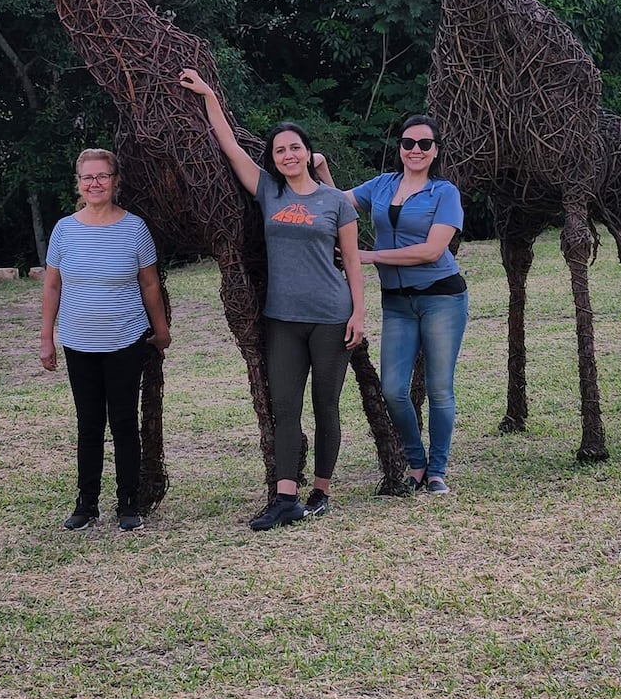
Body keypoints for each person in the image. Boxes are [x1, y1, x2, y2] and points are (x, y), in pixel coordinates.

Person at [179, 68, 364, 531]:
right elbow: (230, 146)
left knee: (326, 405)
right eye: (280, 149)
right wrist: (207, 95)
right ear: (275, 158)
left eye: (294, 147)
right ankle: (286, 497)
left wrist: (359, 312)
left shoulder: (336, 201)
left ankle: (320, 490)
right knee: (286, 408)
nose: (288, 154)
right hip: (282, 319)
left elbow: (354, 260)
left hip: (330, 315)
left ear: (307, 152)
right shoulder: (267, 190)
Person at [317, 115, 467, 496]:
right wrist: (320, 167)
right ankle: (415, 462)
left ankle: (437, 470)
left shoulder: (444, 193)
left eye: (424, 144)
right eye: (408, 143)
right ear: (400, 147)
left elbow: (433, 251)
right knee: (394, 390)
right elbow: (339, 206)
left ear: (435, 152)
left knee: (439, 389)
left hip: (441, 298)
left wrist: (369, 256)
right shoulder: (382, 185)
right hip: (397, 303)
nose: (415, 150)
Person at [40, 148, 171, 532]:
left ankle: (129, 503)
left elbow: (149, 284)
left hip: (125, 339)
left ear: (115, 181)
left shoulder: (134, 229)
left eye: (102, 176)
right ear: (78, 184)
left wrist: (160, 330)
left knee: (124, 423)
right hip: (78, 341)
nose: (94, 183)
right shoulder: (65, 229)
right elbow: (52, 285)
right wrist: (46, 337)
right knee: (89, 423)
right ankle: (87, 503)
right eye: (87, 178)